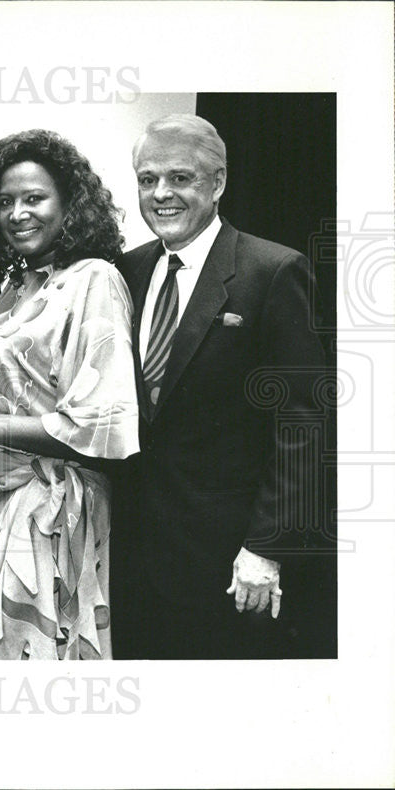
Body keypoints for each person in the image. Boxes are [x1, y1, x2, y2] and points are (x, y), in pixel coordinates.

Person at [115, 114, 327, 659]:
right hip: (131, 555)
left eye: (180, 178)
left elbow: (304, 424)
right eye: (147, 179)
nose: (161, 193)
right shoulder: (127, 272)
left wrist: (267, 546)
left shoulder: (273, 271)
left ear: (218, 183)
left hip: (229, 563)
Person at [0, 129, 139, 660]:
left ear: (70, 205)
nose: (18, 213)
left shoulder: (95, 279)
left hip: (51, 510)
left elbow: (101, 425)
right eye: (5, 202)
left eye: (34, 199)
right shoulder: (17, 282)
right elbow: (26, 376)